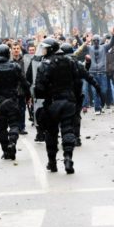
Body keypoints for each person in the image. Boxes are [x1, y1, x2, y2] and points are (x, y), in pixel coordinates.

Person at [34, 38, 80, 174]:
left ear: (51, 49)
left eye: (45, 48)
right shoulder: (70, 61)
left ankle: (52, 162)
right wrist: (75, 99)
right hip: (69, 101)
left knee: (51, 133)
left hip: (52, 102)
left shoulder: (45, 64)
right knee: (67, 130)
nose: (43, 51)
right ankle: (68, 157)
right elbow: (77, 82)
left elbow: (39, 88)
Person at [0, 44, 31, 160]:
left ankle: (6, 150)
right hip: (13, 100)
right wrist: (28, 96)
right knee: (14, 124)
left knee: (1, 128)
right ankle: (12, 142)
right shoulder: (15, 67)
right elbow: (24, 83)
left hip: (0, 102)